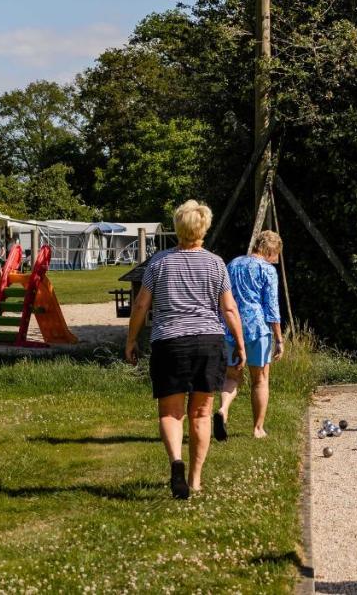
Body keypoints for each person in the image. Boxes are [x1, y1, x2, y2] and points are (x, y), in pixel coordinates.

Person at [125, 200, 245, 500]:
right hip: (208, 341)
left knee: (170, 412)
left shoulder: (160, 263)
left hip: (170, 342)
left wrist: (131, 340)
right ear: (203, 228)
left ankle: (176, 462)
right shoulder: (215, 263)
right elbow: (228, 308)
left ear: (178, 226)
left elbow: (141, 304)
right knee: (201, 414)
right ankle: (195, 479)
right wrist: (240, 343)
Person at [214, 231, 285, 441]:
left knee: (231, 376)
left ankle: (223, 410)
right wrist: (279, 339)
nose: (276, 259)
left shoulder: (233, 264)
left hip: (231, 328)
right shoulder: (267, 270)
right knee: (260, 380)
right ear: (270, 250)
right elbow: (272, 307)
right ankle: (257, 429)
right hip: (257, 329)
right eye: (276, 254)